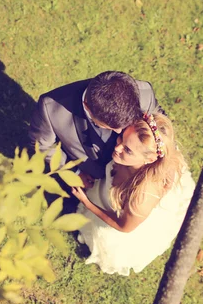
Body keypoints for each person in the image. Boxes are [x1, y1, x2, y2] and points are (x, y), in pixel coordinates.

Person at [71, 113, 195, 276]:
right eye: (121, 138)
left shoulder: (142, 197)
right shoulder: (134, 153)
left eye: (127, 150)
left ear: (149, 159)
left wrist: (87, 202)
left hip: (126, 219)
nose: (117, 148)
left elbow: (124, 227)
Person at [28, 71, 162, 189]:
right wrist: (73, 173)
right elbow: (42, 145)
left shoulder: (145, 95)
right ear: (87, 106)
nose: (119, 132)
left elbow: (160, 128)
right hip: (91, 176)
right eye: (110, 127)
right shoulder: (51, 108)